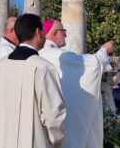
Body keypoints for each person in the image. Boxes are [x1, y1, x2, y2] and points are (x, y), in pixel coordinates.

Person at [0, 14, 66, 148]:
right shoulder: (43, 68)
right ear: (38, 33)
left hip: (1, 140)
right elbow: (53, 115)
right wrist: (57, 140)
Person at [39, 19, 113, 148]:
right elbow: (90, 64)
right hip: (64, 116)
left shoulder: (39, 54)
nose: (66, 35)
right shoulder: (57, 55)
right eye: (64, 31)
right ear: (55, 34)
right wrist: (104, 50)